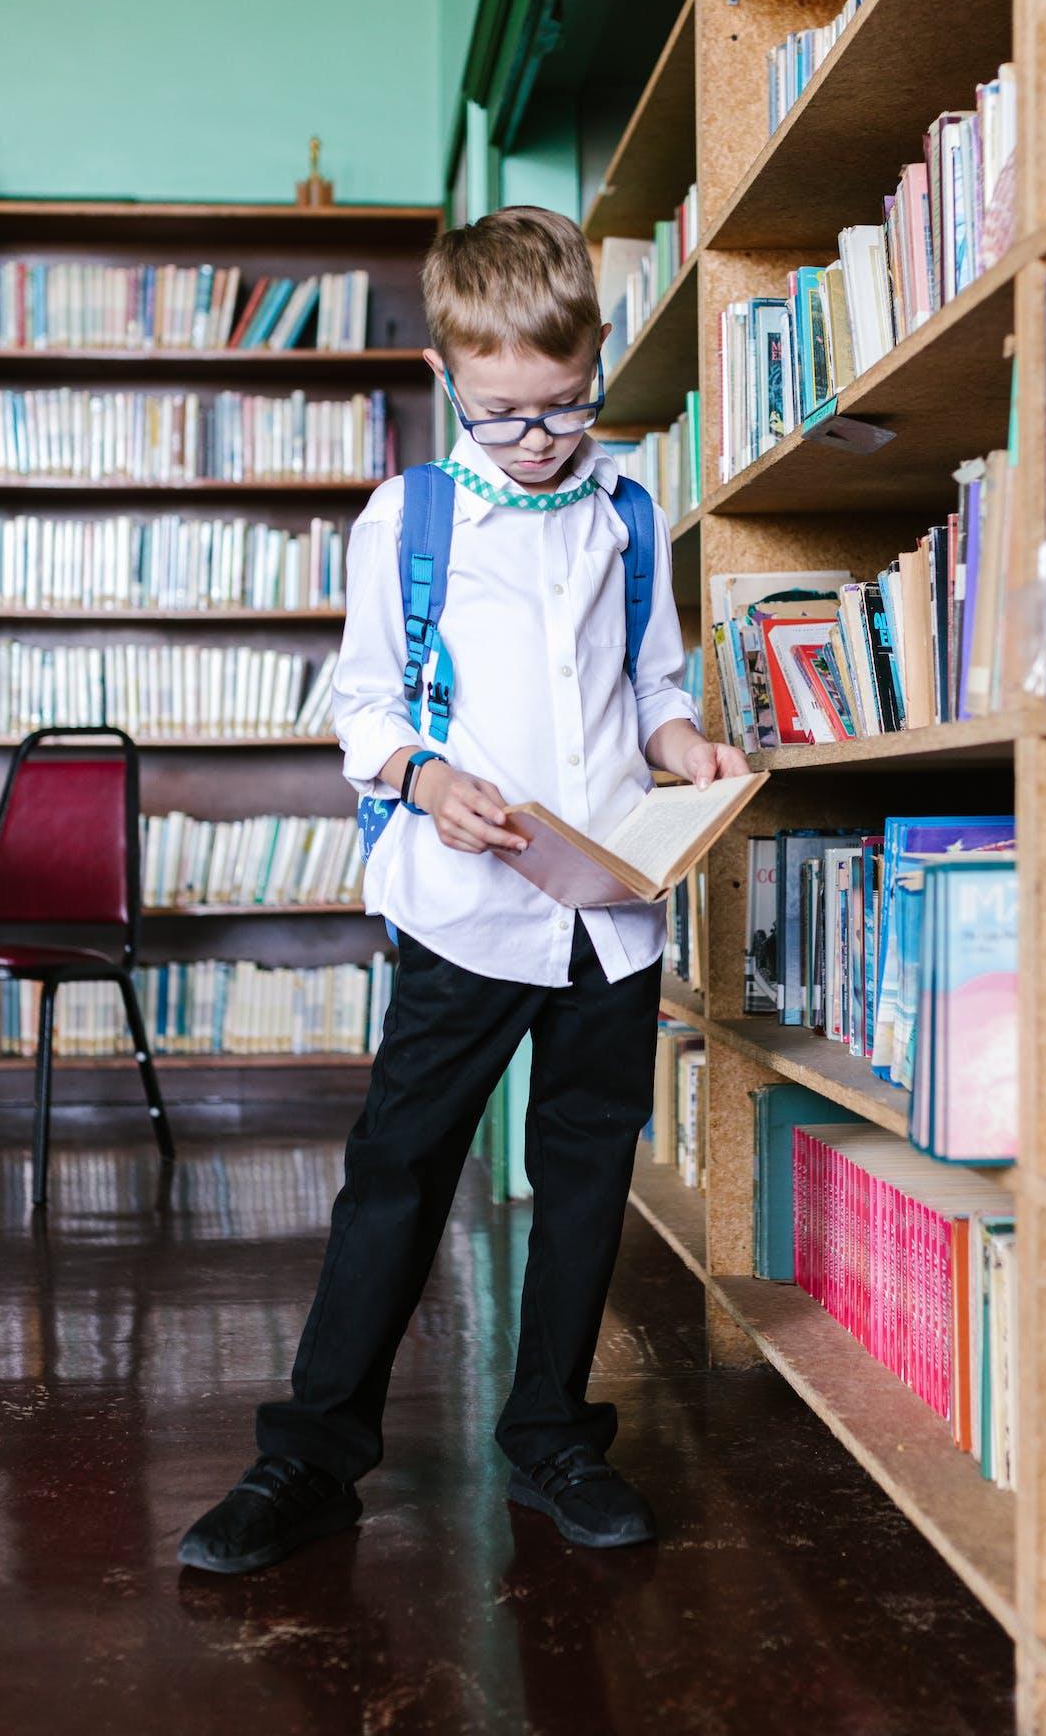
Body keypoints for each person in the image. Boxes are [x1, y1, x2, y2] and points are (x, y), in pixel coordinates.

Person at [178, 205, 748, 1575]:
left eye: (566, 406)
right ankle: (312, 1457)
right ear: (446, 378)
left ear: (597, 361)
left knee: (587, 1171)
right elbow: (363, 704)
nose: (541, 438)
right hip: (467, 911)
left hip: (606, 908)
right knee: (400, 1172)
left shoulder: (625, 511)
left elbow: (654, 687)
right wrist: (430, 783)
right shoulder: (410, 518)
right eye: (502, 414)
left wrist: (689, 749)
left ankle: (553, 1433)